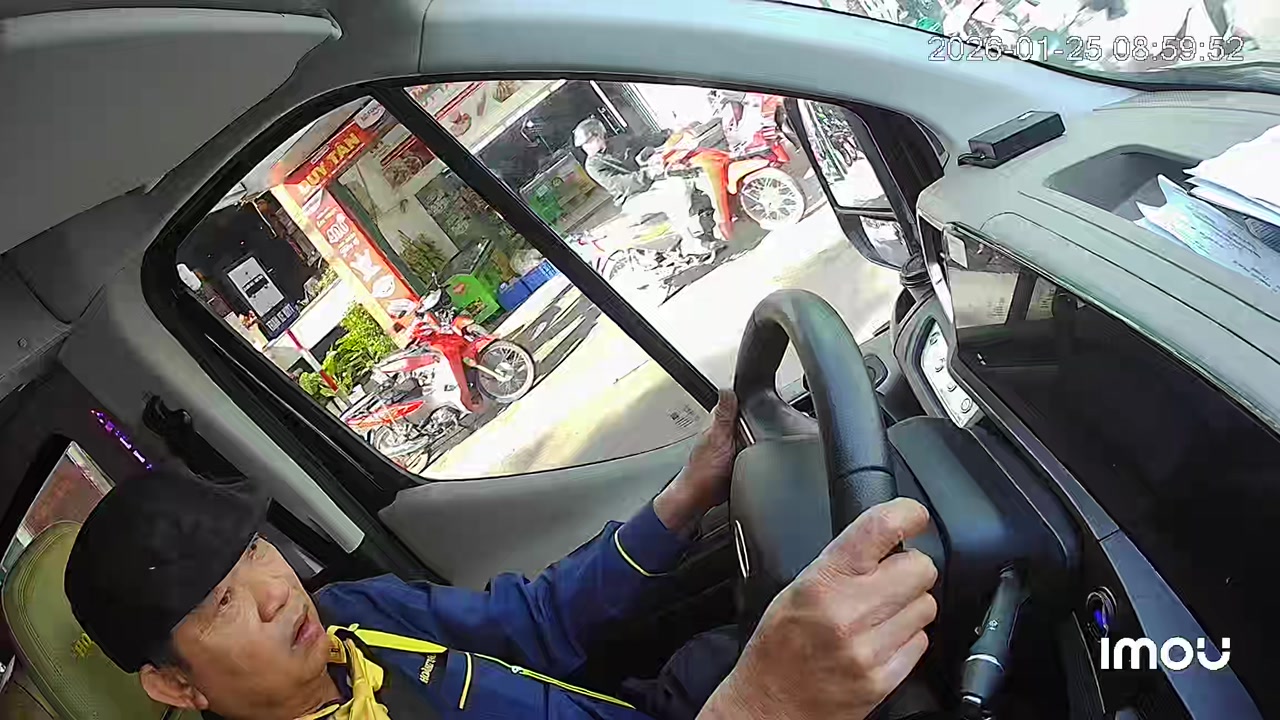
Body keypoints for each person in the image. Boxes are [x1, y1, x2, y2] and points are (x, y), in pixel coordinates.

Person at [63, 392, 938, 720]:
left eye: (254, 550)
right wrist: (764, 705)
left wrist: (685, 495)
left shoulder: (350, 619)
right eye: (220, 603)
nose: (272, 594)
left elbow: (534, 621)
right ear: (175, 685)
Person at [573, 116, 715, 257]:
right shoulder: (593, 165)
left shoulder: (619, 141)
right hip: (631, 198)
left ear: (599, 135)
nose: (586, 148)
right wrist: (649, 173)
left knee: (689, 186)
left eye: (588, 142)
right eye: (583, 146)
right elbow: (620, 184)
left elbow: (643, 140)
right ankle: (690, 244)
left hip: (650, 186)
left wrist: (670, 133)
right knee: (671, 198)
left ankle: (709, 232)